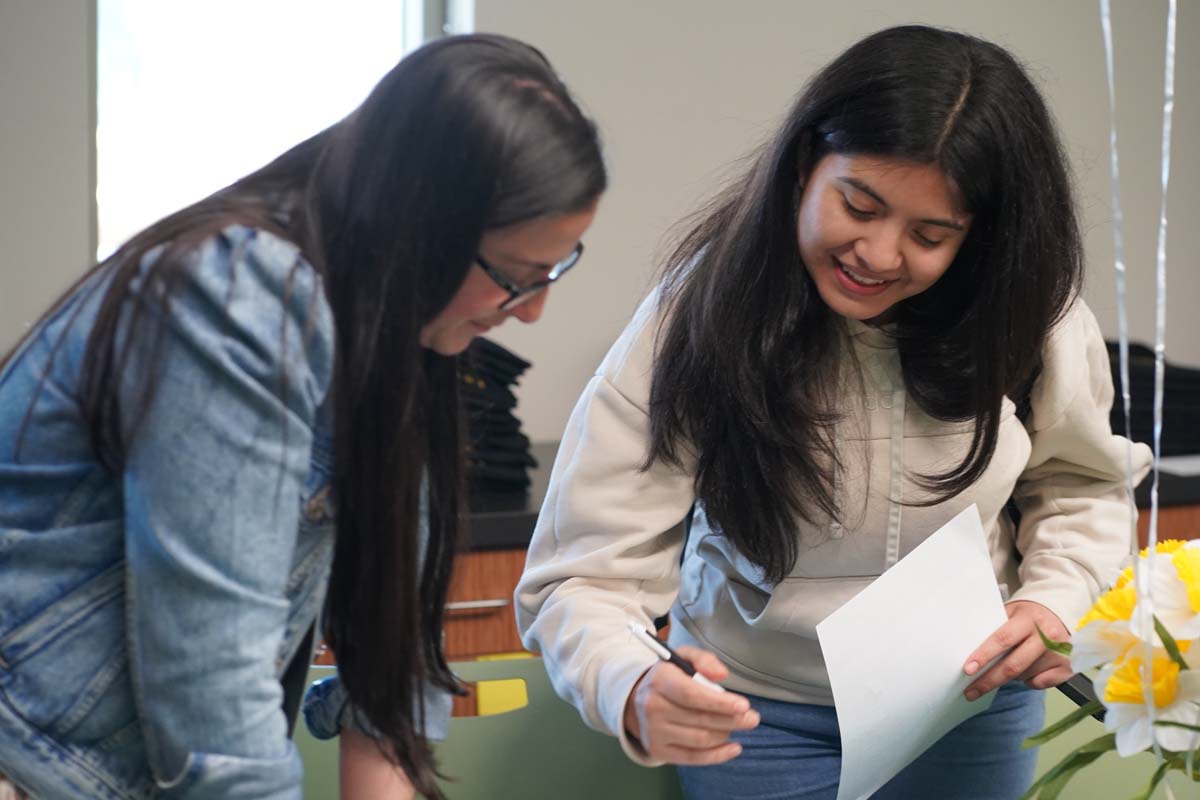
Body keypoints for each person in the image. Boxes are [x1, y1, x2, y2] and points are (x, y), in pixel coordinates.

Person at [515, 24, 1150, 800]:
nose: (879, 255)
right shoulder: (699, 315)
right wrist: (631, 683)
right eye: (859, 205)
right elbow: (583, 576)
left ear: (980, 241)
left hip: (970, 702)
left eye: (929, 235)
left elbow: (1083, 488)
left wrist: (1051, 599)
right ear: (804, 167)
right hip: (758, 716)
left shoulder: (1029, 319)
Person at [0, 33, 604, 800]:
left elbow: (390, 681)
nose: (534, 311)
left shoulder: (401, 342)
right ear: (419, 228)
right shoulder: (239, 300)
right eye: (515, 277)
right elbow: (213, 698)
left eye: (554, 271)